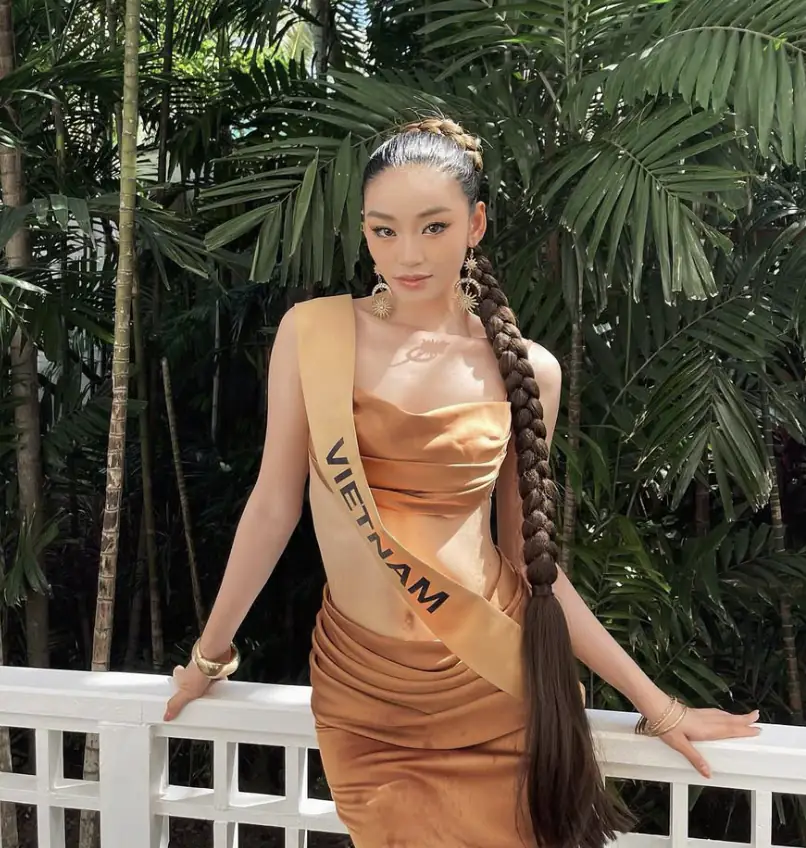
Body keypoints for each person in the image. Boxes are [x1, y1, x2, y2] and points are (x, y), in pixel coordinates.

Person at [164, 117, 760, 848]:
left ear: (475, 224)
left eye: (434, 226)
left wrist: (656, 704)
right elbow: (272, 506)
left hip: (493, 678)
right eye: (384, 231)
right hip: (367, 691)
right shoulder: (311, 333)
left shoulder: (528, 370)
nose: (407, 254)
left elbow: (531, 564)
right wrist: (210, 654)